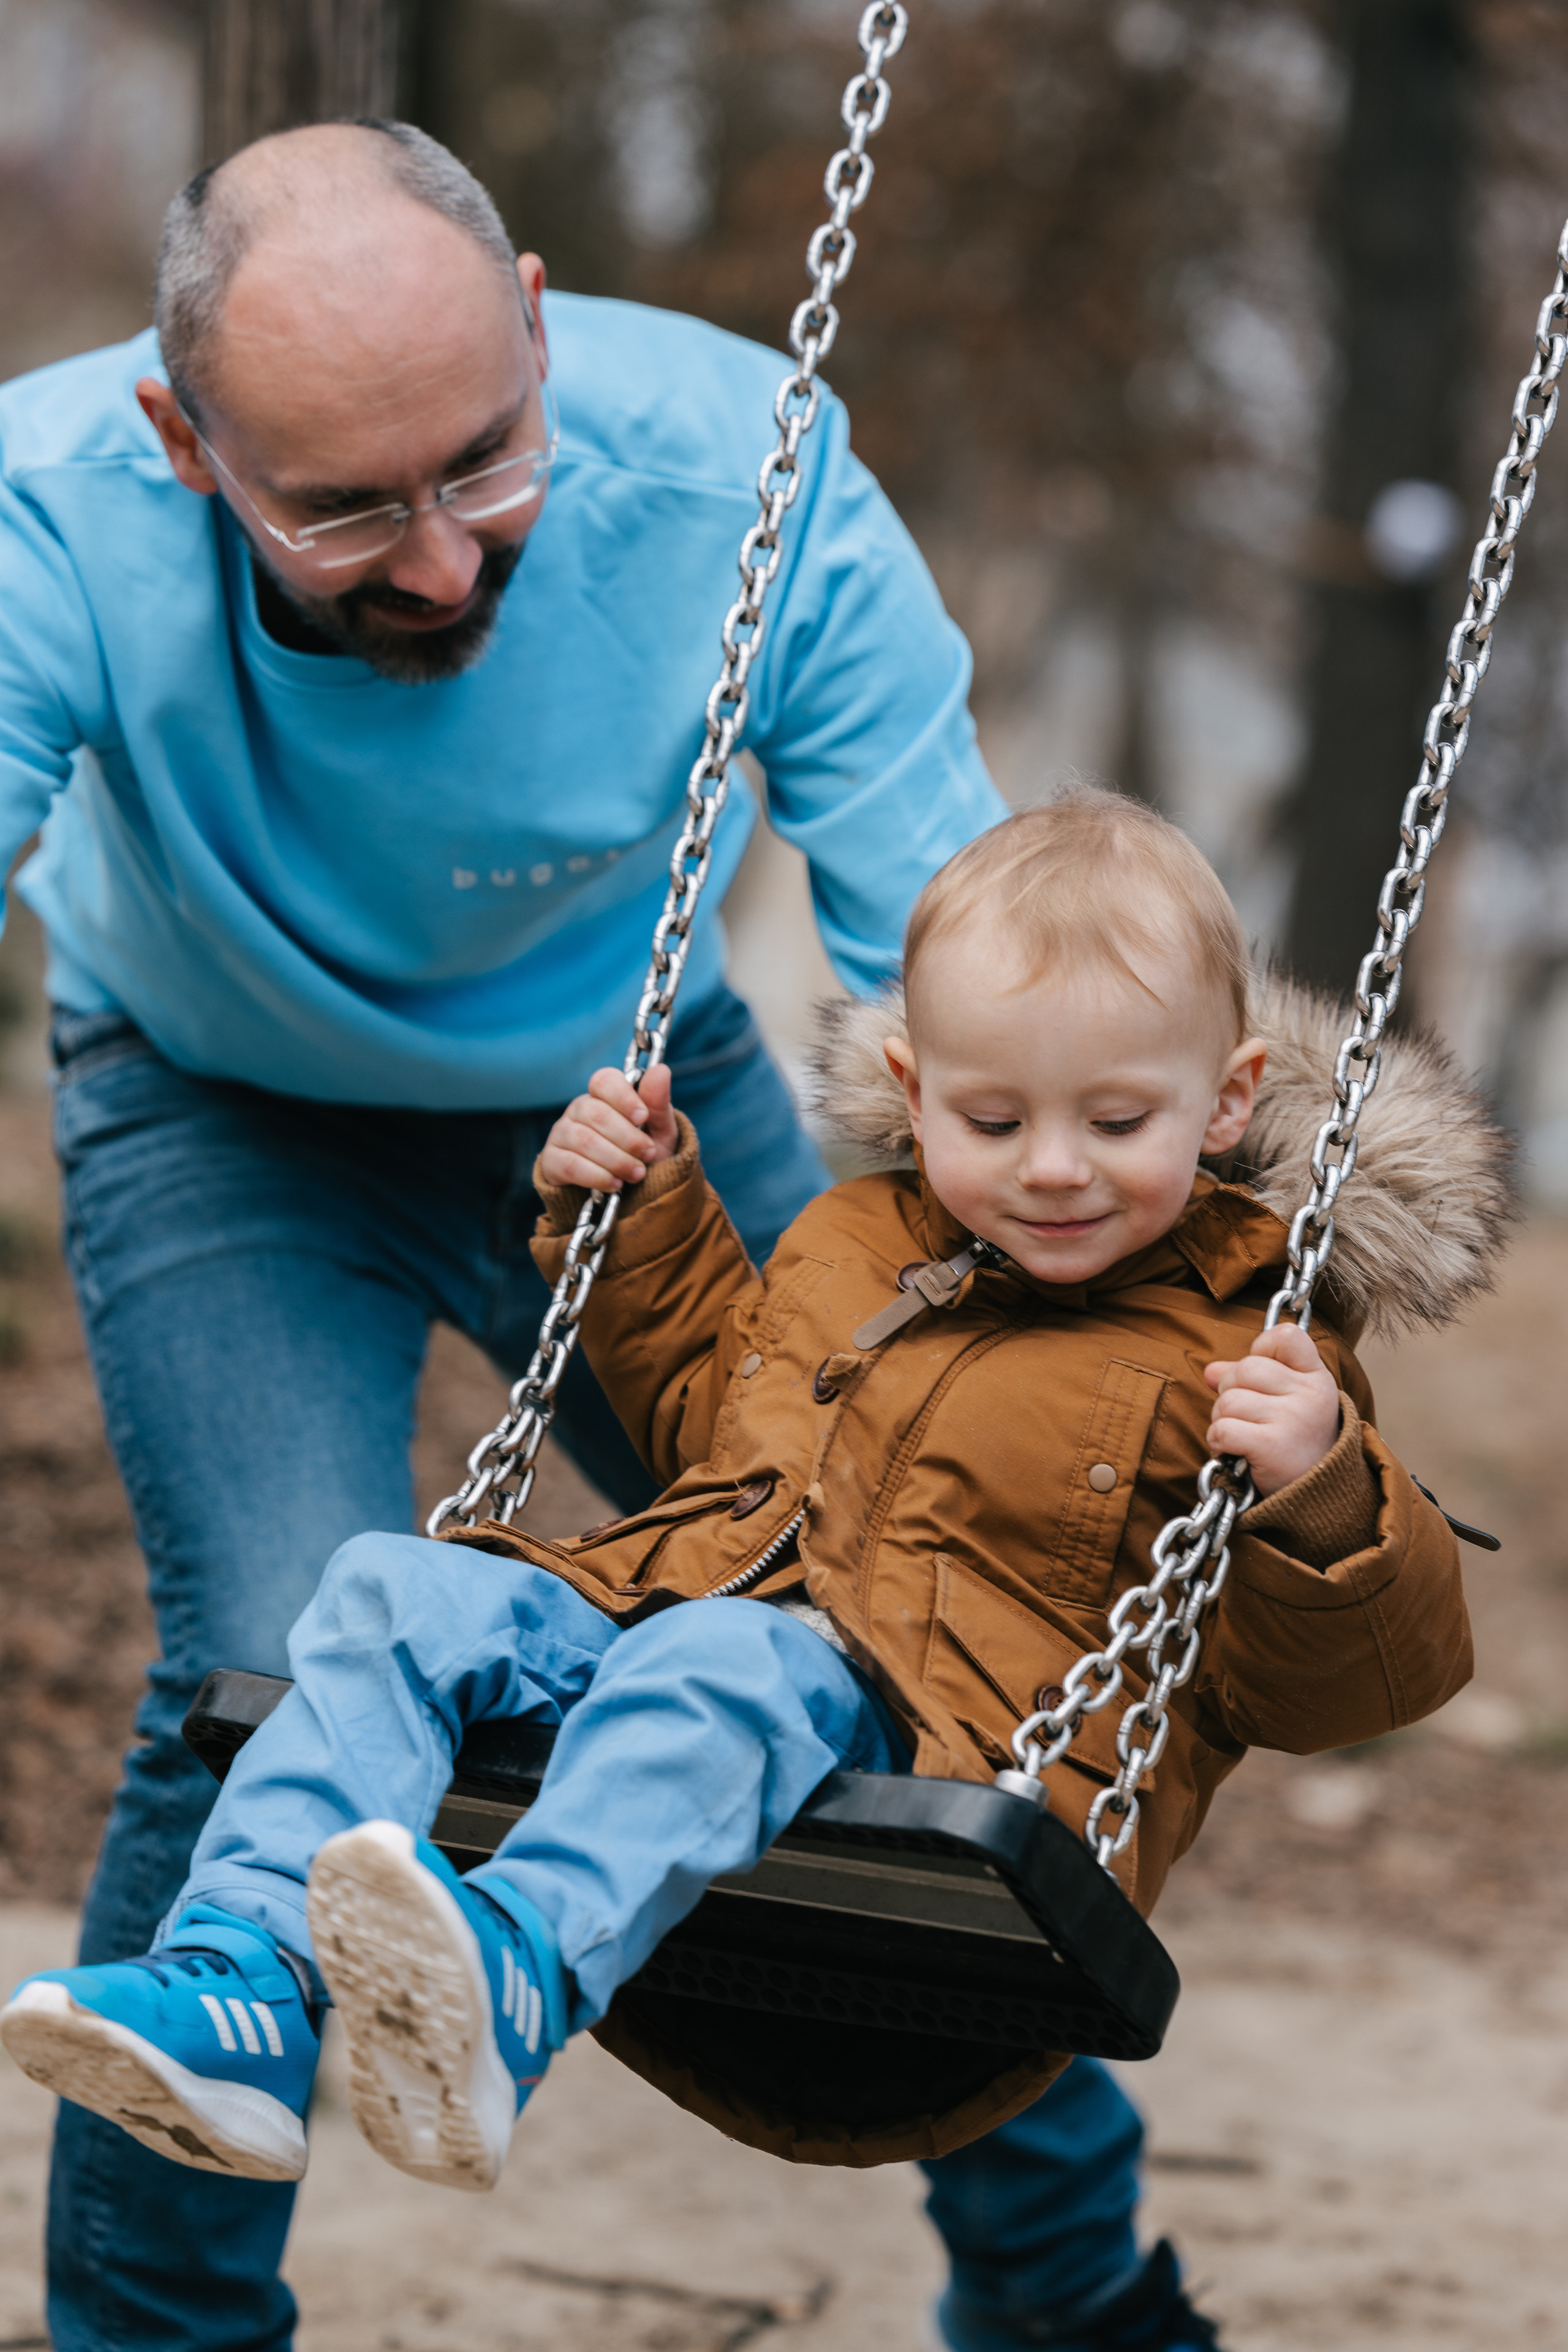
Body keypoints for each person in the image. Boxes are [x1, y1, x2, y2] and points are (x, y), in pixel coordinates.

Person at [0, 110, 1215, 2352]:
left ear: (539, 327)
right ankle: (160, 2328)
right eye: (346, 508)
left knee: (921, 1627)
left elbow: (952, 958)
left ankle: (1070, 2315)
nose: (444, 565)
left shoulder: (747, 470)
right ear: (184, 438)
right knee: (259, 1671)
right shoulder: (41, 511)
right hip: (218, 1102)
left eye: (483, 465)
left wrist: (1146, 1294)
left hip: (642, 1095)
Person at [6, 795, 1498, 2346]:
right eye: (991, 1122)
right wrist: (636, 1221)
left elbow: (1357, 1680)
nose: (1052, 1169)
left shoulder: (1256, 1351)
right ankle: (242, 1981)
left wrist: (1323, 1493)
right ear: (913, 1092)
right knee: (397, 1585)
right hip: (681, 1612)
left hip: (931, 1760)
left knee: (722, 1659)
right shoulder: (856, 1242)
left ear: (1227, 1099)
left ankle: (509, 1976)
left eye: (1115, 1123)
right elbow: (723, 1436)